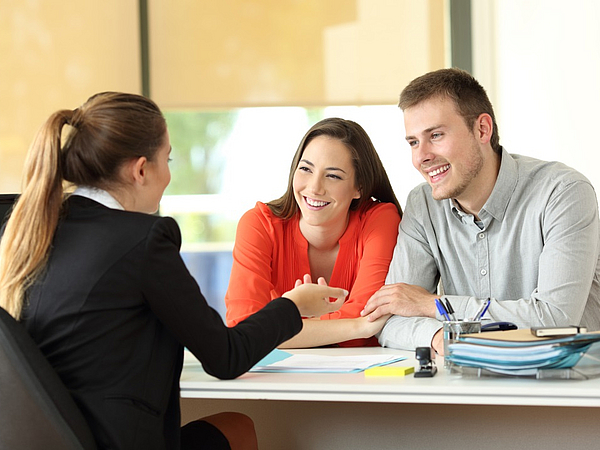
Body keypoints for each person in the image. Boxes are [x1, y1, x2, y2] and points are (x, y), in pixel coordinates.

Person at [0, 92, 349, 450]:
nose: (168, 175)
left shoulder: (40, 229)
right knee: (238, 428)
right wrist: (294, 306)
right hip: (116, 440)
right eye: (167, 159)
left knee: (232, 427)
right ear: (140, 170)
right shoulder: (142, 240)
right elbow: (225, 357)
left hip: (67, 437)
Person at [361, 68, 600, 354]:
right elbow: (391, 319)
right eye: (413, 142)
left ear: (482, 129)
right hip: (468, 384)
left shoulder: (562, 192)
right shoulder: (422, 204)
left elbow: (555, 319)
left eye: (435, 135)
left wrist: (435, 305)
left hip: (566, 385)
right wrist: (441, 337)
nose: (421, 156)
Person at [225, 118, 402, 347]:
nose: (314, 188)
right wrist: (357, 326)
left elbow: (365, 322)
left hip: (363, 379)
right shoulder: (259, 224)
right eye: (306, 169)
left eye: (333, 175)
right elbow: (244, 329)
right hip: (282, 378)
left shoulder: (380, 219)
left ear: (359, 187)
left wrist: (285, 323)